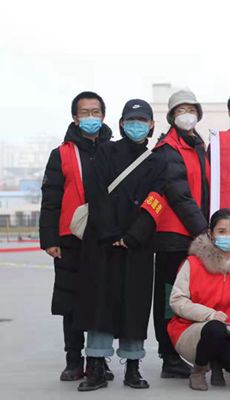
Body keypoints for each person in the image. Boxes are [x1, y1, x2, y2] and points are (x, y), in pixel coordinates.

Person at [76, 99, 165, 391]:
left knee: (134, 305)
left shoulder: (157, 161)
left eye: (142, 120)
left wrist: (133, 235)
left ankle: (133, 367)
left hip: (138, 245)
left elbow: (156, 201)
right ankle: (96, 366)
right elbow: (96, 193)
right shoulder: (106, 151)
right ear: (121, 124)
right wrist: (111, 232)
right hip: (102, 242)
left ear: (151, 125)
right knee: (100, 303)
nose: (136, 125)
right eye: (130, 120)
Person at [39, 91, 112, 382]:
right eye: (85, 112)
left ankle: (99, 359)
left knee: (103, 299)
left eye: (96, 112)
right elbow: (50, 198)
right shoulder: (61, 154)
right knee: (71, 300)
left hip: (105, 237)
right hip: (71, 237)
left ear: (103, 116)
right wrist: (50, 239)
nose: (91, 117)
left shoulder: (113, 150)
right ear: (75, 117)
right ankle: (73, 359)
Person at [142, 89, 210, 379]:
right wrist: (204, 232)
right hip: (173, 237)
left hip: (194, 234)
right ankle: (168, 355)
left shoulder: (199, 145)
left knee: (192, 295)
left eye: (191, 109)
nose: (186, 115)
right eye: (180, 110)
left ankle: (185, 349)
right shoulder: (167, 150)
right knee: (170, 296)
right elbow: (179, 196)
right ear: (171, 117)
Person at [168, 209, 230, 390]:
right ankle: (198, 370)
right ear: (211, 233)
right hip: (190, 328)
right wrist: (210, 314)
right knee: (215, 328)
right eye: (222, 231)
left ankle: (217, 363)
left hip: (228, 330)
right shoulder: (193, 263)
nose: (228, 236)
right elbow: (177, 300)